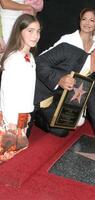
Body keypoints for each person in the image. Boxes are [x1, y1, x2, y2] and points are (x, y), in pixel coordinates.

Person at [34, 41, 95, 164]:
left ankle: (35, 119)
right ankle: (31, 115)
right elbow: (38, 62)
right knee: (18, 143)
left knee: (62, 131)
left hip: (51, 104)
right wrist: (58, 79)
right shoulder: (68, 51)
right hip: (32, 96)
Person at [0, 14, 40, 162]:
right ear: (19, 31)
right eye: (30, 31)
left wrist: (27, 113)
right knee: (5, 151)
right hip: (11, 116)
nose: (35, 35)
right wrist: (10, 121)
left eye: (38, 31)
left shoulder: (30, 56)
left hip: (23, 113)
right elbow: (7, 91)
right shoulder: (14, 58)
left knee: (15, 150)